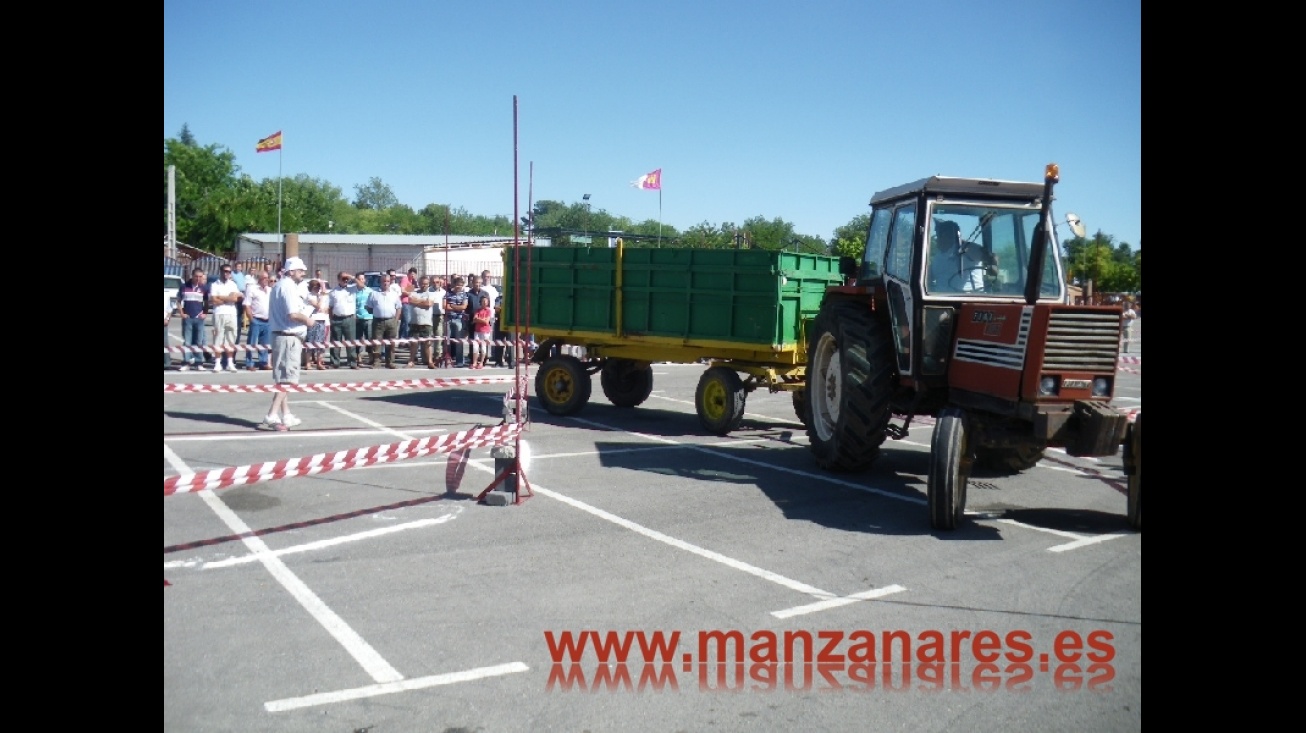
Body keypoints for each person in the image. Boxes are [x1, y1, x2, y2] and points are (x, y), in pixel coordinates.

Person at [260, 257, 313, 431]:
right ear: (291, 271)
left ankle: (286, 414)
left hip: (281, 335)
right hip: (288, 337)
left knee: (283, 377)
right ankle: (272, 414)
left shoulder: (279, 286)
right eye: (300, 270)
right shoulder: (288, 286)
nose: (303, 273)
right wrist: (308, 320)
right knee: (287, 379)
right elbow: (293, 314)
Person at [928, 220, 986, 294]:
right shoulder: (938, 257)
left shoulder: (968, 249)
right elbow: (929, 276)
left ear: (947, 236)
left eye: (938, 236)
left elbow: (991, 257)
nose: (936, 239)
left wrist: (992, 265)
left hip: (968, 300)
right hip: (940, 299)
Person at [208, 264, 242, 371]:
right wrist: (228, 298)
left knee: (231, 338)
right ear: (221, 271)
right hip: (219, 313)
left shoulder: (233, 284)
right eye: (225, 271)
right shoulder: (215, 284)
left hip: (231, 313)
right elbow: (213, 300)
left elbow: (235, 299)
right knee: (218, 338)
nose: (227, 273)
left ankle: (230, 363)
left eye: (229, 271)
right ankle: (217, 363)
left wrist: (221, 297)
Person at [368, 273, 403, 368]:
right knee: (376, 343)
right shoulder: (374, 294)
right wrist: (377, 312)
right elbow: (369, 307)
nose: (386, 283)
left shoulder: (394, 294)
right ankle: (376, 362)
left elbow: (399, 308)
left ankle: (390, 362)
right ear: (380, 282)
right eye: (384, 281)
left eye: (388, 281)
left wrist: (395, 320)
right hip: (378, 321)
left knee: (391, 343)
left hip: (391, 321)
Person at [177, 268, 208, 370]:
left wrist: (205, 313)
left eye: (200, 277)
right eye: (196, 276)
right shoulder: (184, 286)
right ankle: (186, 362)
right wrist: (182, 313)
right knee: (187, 341)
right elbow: (178, 301)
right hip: (188, 317)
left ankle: (199, 362)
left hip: (199, 317)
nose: (198, 279)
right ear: (192, 276)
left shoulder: (204, 288)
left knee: (199, 341)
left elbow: (206, 302)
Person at [328, 271, 359, 369]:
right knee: (336, 342)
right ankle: (335, 362)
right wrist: (331, 319)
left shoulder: (352, 289)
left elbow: (362, 285)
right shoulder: (333, 292)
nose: (345, 280)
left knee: (351, 342)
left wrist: (351, 276)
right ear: (338, 280)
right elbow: (330, 307)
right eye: (343, 279)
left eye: (347, 279)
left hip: (349, 318)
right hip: (337, 319)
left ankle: (352, 362)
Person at [243, 271, 273, 370]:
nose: (266, 280)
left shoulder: (270, 290)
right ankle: (249, 363)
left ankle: (263, 362)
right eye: (264, 278)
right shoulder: (252, 289)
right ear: (259, 279)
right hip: (256, 319)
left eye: (267, 278)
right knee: (252, 343)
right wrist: (251, 319)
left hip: (267, 320)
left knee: (265, 343)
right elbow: (247, 305)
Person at [407, 275, 436, 368]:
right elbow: (411, 300)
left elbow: (429, 304)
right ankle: (411, 361)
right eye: (422, 284)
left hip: (426, 322)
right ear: (419, 284)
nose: (424, 285)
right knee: (413, 343)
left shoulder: (431, 294)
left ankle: (430, 362)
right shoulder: (413, 292)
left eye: (426, 284)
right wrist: (422, 302)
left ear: (429, 284)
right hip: (414, 322)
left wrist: (418, 302)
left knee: (428, 343)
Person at [443, 276, 470, 367]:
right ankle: (447, 359)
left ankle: (459, 361)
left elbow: (464, 307)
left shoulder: (464, 295)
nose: (459, 287)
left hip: (459, 320)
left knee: (459, 342)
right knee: (447, 341)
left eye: (461, 285)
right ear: (454, 284)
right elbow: (444, 306)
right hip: (448, 319)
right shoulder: (447, 294)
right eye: (457, 285)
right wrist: (457, 307)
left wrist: (452, 306)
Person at [304, 279, 330, 369]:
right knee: (310, 342)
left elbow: (325, 308)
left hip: (321, 320)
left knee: (320, 342)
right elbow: (318, 306)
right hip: (312, 320)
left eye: (319, 287)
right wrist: (322, 297)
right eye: (316, 287)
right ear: (311, 287)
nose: (318, 289)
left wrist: (322, 294)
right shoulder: (309, 296)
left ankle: (319, 362)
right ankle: (308, 363)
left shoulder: (320, 296)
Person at [353, 272, 375, 367]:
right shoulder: (353, 292)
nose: (361, 281)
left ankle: (371, 358)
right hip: (358, 318)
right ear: (356, 280)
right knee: (358, 339)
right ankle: (359, 358)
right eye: (359, 279)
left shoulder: (369, 291)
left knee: (370, 339)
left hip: (369, 318)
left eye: (363, 279)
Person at [470, 294, 493, 369]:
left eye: (486, 301)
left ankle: (481, 362)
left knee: (483, 347)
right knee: (475, 347)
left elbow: (486, 322)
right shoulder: (477, 310)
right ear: (480, 302)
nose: (485, 303)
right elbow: (474, 319)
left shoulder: (488, 311)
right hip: (477, 330)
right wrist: (481, 320)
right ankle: (474, 362)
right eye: (483, 301)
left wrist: (479, 319)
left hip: (485, 331)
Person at [230, 262, 248, 345]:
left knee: (240, 314)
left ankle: (239, 325)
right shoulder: (232, 274)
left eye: (240, 267)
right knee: (236, 314)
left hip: (242, 295)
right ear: (235, 267)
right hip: (235, 295)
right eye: (237, 266)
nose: (238, 268)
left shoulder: (242, 274)